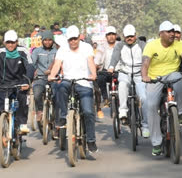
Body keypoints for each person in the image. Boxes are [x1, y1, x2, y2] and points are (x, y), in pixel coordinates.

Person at [141, 20, 182, 156]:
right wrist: (145, 76)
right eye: (168, 32)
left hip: (172, 74)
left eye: (173, 31)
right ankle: (156, 143)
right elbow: (145, 63)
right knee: (151, 106)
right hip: (155, 78)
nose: (172, 34)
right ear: (161, 34)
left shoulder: (179, 45)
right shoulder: (151, 45)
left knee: (179, 79)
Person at [48, 25, 98, 153]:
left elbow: (91, 62)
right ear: (67, 39)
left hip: (84, 82)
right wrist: (52, 75)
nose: (73, 42)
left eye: (75, 39)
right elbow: (57, 64)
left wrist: (93, 74)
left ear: (79, 37)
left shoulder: (86, 47)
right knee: (59, 87)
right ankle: (63, 116)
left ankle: (91, 140)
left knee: (88, 112)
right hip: (68, 80)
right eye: (70, 39)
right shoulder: (63, 49)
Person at [108, 24, 149, 137]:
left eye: (131, 36)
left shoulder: (142, 45)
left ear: (135, 35)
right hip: (124, 72)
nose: (129, 38)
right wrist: (111, 66)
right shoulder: (120, 45)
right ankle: (123, 111)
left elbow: (147, 58)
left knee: (144, 97)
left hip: (139, 73)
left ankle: (145, 126)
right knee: (122, 85)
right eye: (127, 36)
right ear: (124, 36)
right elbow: (115, 57)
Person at [0, 30, 35, 133]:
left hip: (20, 83)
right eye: (8, 42)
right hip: (3, 84)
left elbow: (30, 67)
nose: (10, 45)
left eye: (13, 42)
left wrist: (27, 82)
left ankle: (22, 124)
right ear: (4, 43)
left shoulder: (23, 51)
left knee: (22, 99)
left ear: (16, 42)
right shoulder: (1, 52)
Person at [31, 31, 57, 122]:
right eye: (45, 40)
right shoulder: (37, 51)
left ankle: (56, 116)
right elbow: (33, 64)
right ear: (42, 41)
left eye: (50, 40)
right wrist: (33, 74)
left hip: (54, 78)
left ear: (52, 41)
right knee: (37, 93)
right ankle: (40, 110)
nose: (47, 42)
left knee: (57, 95)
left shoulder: (57, 51)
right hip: (40, 77)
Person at [94, 26, 119, 111]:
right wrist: (95, 66)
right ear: (106, 36)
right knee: (100, 79)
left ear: (116, 35)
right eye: (109, 34)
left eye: (113, 34)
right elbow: (97, 59)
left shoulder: (121, 45)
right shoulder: (101, 47)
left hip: (119, 71)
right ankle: (105, 98)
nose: (111, 36)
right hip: (106, 71)